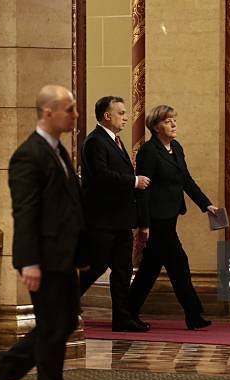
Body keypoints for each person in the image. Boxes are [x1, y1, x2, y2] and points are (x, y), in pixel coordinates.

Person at [0, 85, 88, 380]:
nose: (75, 114)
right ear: (48, 113)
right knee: (54, 328)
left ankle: (4, 368)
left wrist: (80, 252)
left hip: (64, 256)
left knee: (64, 322)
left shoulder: (58, 150)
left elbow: (69, 205)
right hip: (45, 257)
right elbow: (24, 211)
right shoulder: (29, 155)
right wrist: (28, 262)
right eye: (70, 109)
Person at [128, 105, 218, 330]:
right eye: (168, 121)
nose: (174, 124)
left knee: (150, 268)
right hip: (157, 219)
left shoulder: (176, 147)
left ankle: (127, 311)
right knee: (179, 263)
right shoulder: (149, 151)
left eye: (174, 120)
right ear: (157, 127)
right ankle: (193, 314)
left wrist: (206, 204)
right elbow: (143, 190)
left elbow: (186, 180)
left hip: (170, 215)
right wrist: (144, 224)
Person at [79, 96, 151, 332]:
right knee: (96, 266)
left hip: (121, 219)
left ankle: (122, 318)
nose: (126, 117)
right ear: (107, 116)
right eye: (121, 113)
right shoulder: (95, 142)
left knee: (122, 271)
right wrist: (134, 181)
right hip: (102, 219)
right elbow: (100, 176)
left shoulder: (115, 141)